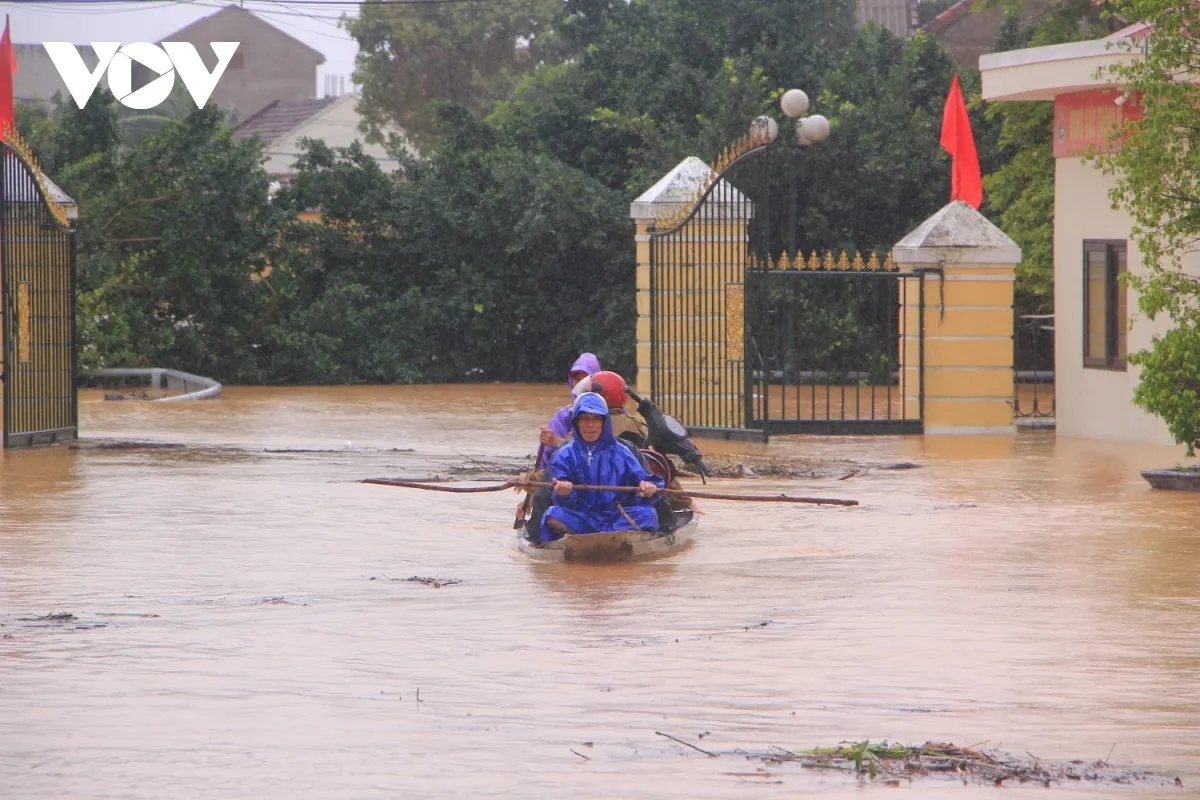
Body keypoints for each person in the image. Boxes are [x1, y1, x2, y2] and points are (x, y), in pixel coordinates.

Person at [539, 392, 664, 544]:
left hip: (617, 517)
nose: (589, 425)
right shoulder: (564, 454)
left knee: (648, 514)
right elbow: (563, 501)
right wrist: (564, 493)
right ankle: (607, 536)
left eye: (595, 419)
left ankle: (598, 537)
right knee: (551, 515)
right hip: (582, 518)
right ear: (576, 422)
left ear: (604, 422)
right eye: (584, 419)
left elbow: (645, 484)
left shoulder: (622, 452)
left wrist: (647, 489)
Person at [538, 352, 601, 469]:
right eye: (577, 379)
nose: (581, 384)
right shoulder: (563, 416)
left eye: (586, 379)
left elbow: (609, 451)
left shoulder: (612, 412)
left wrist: (558, 442)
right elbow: (545, 460)